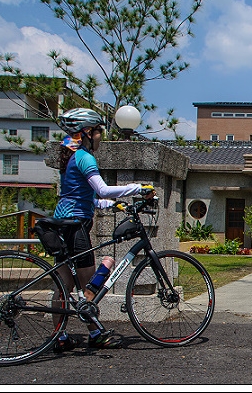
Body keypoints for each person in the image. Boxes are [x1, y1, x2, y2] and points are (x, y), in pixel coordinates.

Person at [52, 107, 155, 352]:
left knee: (64, 286)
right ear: (87, 132)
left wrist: (114, 205)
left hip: (62, 223)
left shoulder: (70, 156)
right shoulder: (85, 157)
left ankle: (59, 336)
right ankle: (96, 333)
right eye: (99, 132)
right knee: (90, 287)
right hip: (76, 226)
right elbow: (102, 190)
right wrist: (138, 188)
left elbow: (86, 198)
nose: (101, 137)